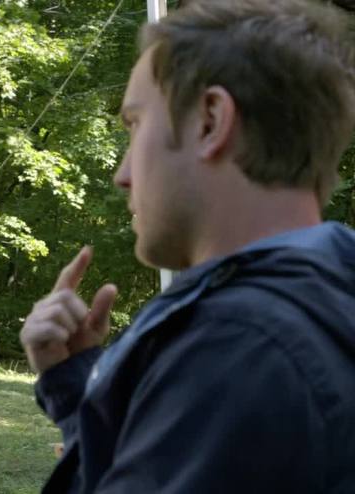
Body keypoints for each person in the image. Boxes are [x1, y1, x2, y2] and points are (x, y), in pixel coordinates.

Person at [20, 0, 355, 491]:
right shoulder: (323, 304)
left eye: (135, 124)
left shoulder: (239, 346)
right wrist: (74, 382)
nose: (122, 175)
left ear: (210, 121)